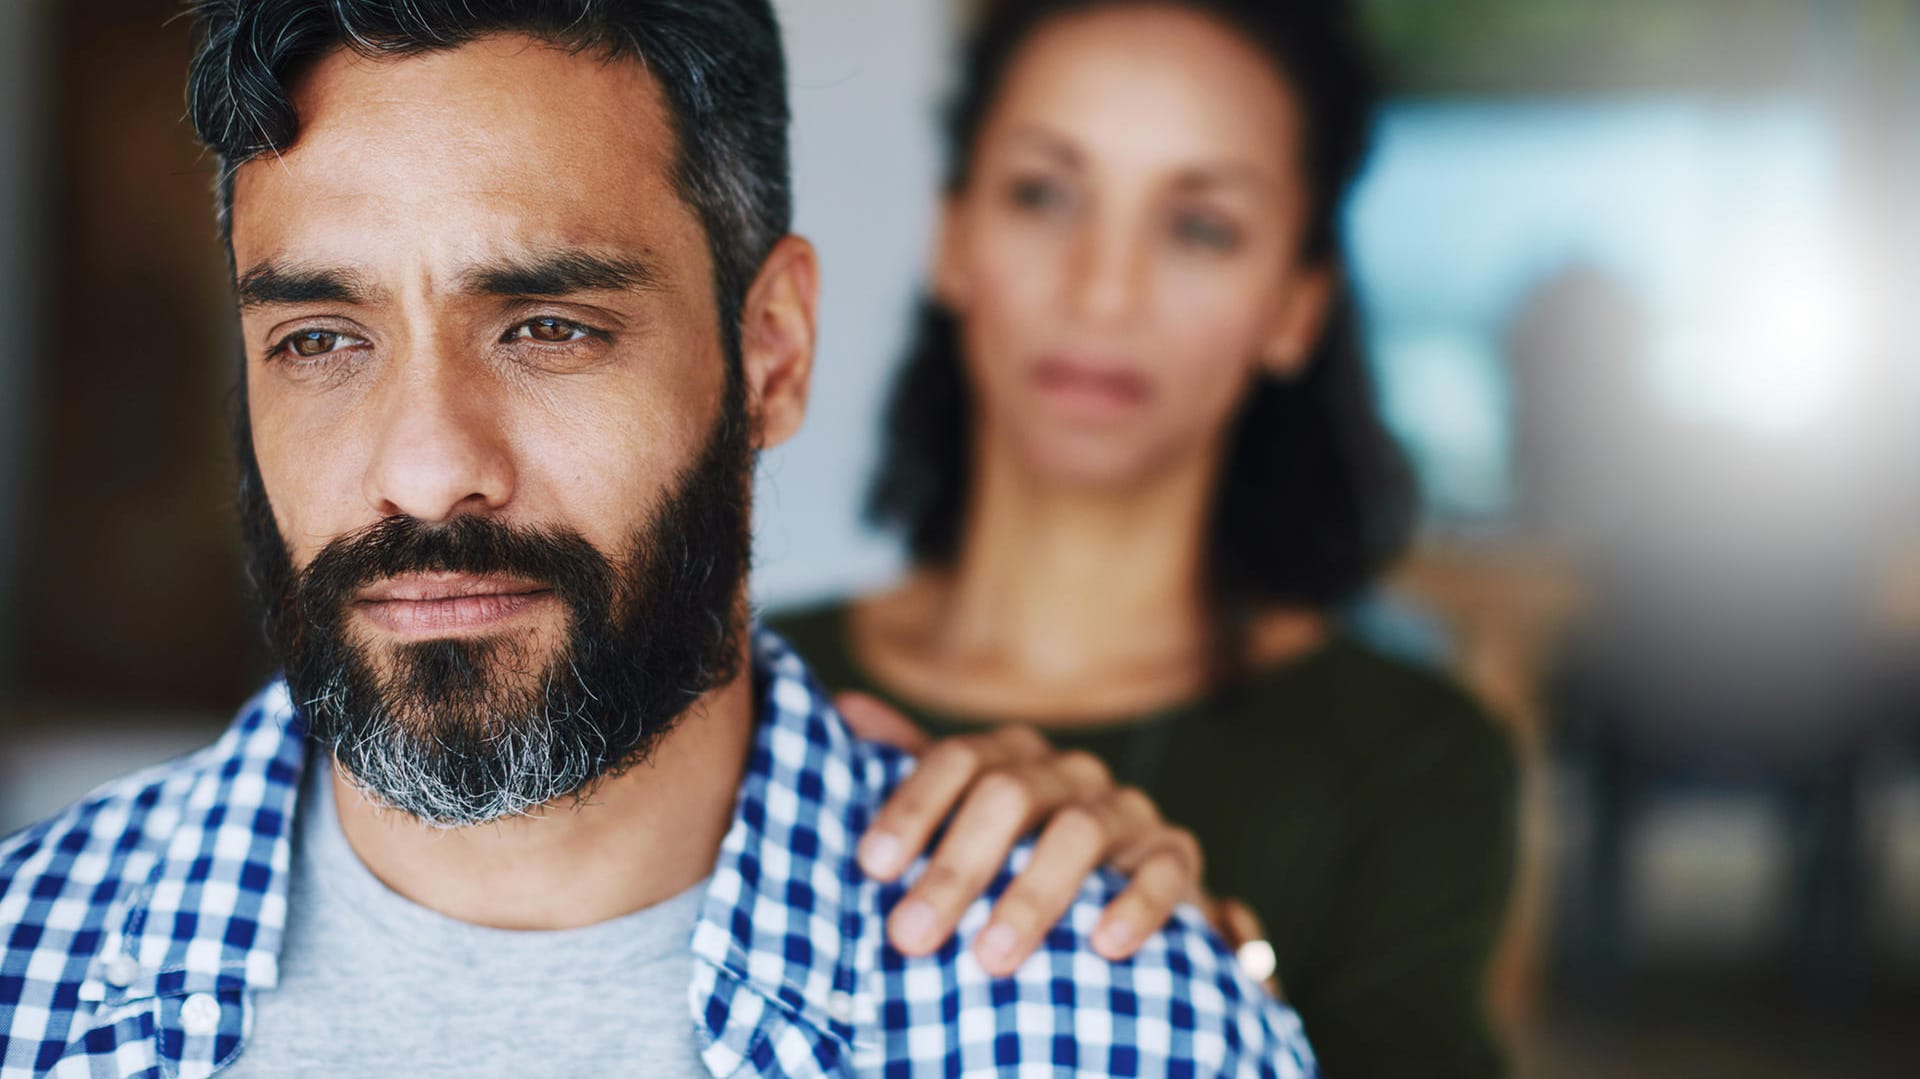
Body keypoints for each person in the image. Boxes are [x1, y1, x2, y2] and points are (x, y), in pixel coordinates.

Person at [0, 2, 1313, 1076]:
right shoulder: (23, 975)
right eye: (321, 340)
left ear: (772, 349)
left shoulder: (1123, 1031)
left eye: (551, 328)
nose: (426, 467)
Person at [770, 1, 1519, 1074]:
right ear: (954, 239)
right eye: (1044, 193)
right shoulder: (738, 683)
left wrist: (1209, 963)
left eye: (1199, 225)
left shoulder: (1415, 758)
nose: (1103, 290)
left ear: (1296, 307)